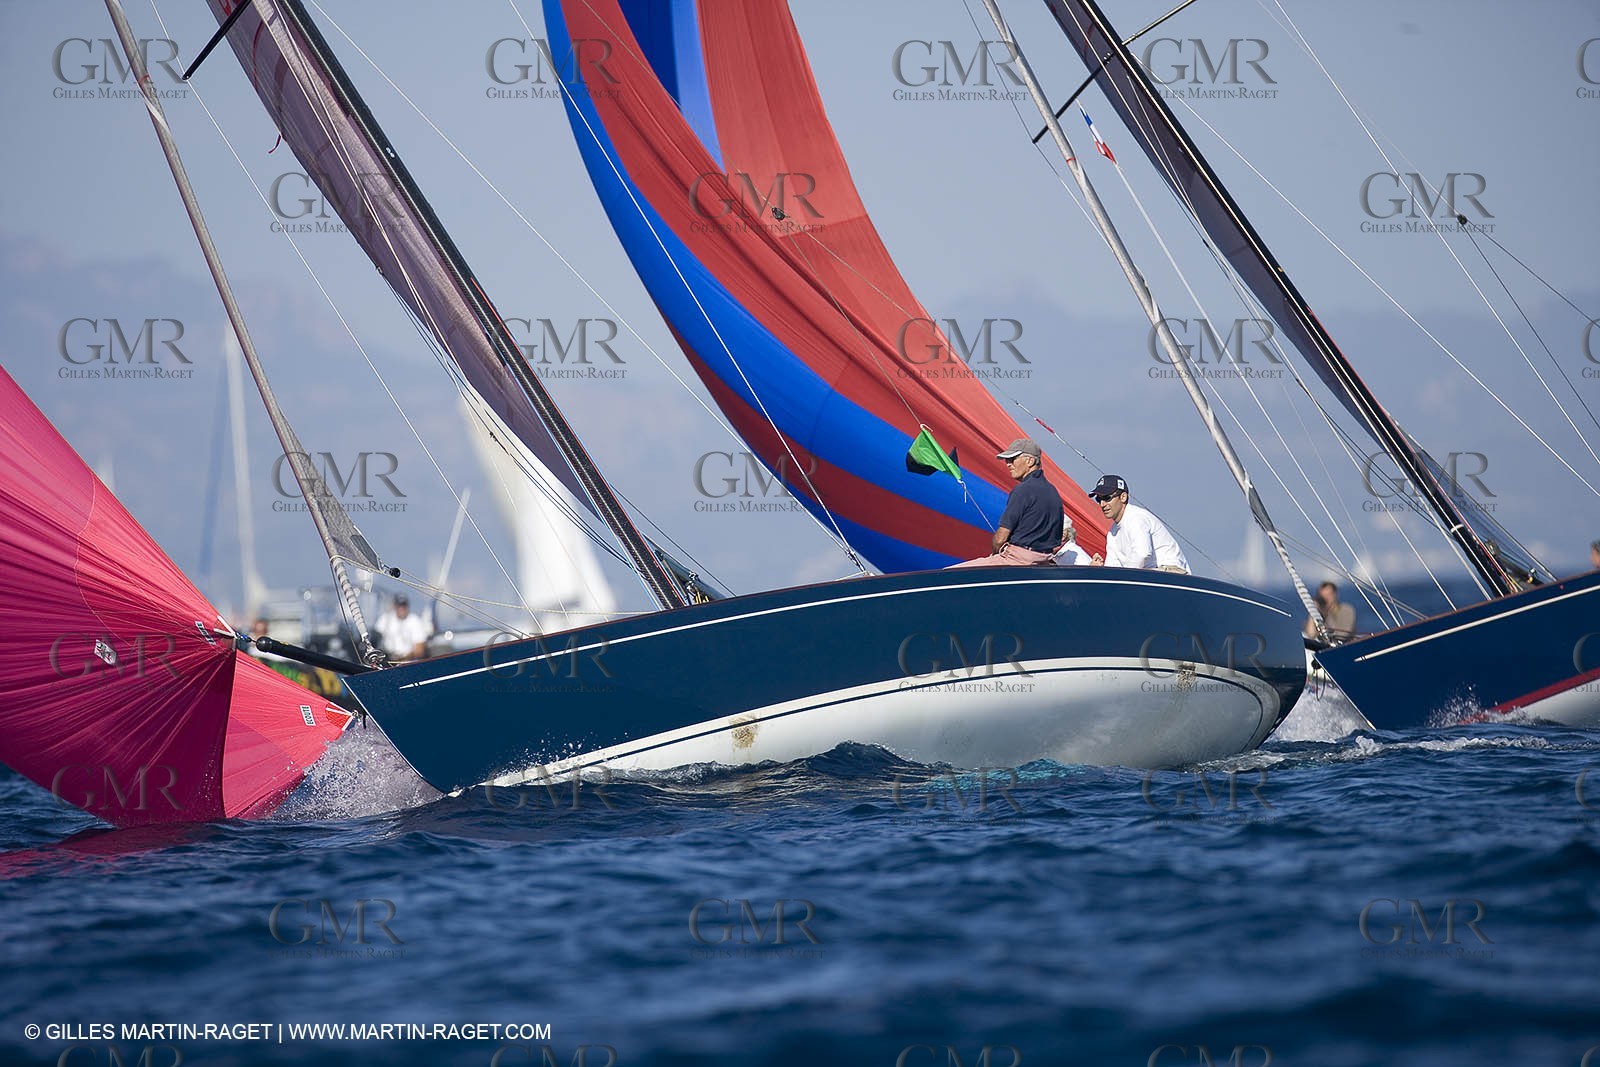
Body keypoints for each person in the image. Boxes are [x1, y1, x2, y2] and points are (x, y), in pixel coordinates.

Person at [949, 438, 1063, 567]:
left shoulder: (1023, 490)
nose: (1008, 464)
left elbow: (1000, 538)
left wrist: (995, 554)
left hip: (1017, 560)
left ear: (1030, 461)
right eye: (1007, 460)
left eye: (1012, 459)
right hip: (1044, 560)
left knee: (946, 575)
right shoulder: (1053, 492)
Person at [1087, 474, 1189, 573]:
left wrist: (1121, 576)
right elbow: (1113, 568)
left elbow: (1142, 554)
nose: (1102, 504)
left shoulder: (1136, 518)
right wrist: (1098, 571)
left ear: (1123, 497)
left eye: (1107, 498)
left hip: (1172, 572)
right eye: (1098, 499)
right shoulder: (1112, 533)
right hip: (1147, 575)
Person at [374, 593, 432, 662]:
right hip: (386, 660)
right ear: (395, 606)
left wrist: (401, 658)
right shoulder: (385, 619)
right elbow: (375, 638)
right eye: (399, 606)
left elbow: (419, 650)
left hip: (408, 662)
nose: (402, 609)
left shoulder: (415, 620)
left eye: (404, 606)